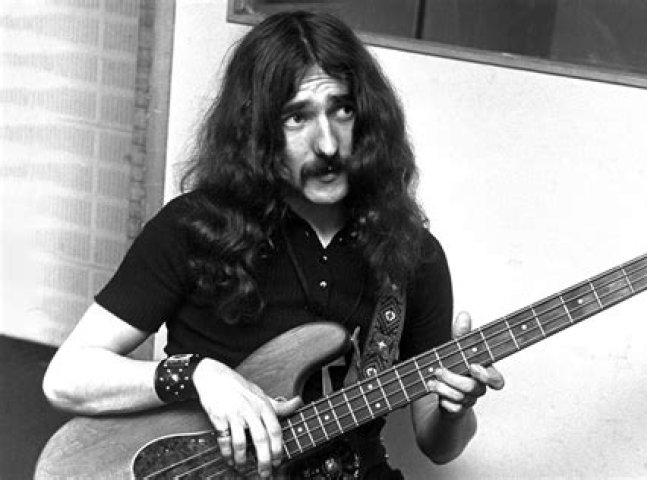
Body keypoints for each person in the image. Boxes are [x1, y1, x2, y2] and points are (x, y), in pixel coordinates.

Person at [42, 10, 504, 479]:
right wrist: (199, 374)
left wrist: (455, 410)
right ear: (257, 129)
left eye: (342, 110)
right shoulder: (193, 228)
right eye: (298, 117)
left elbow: (437, 446)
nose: (328, 144)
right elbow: (67, 378)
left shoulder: (412, 254)